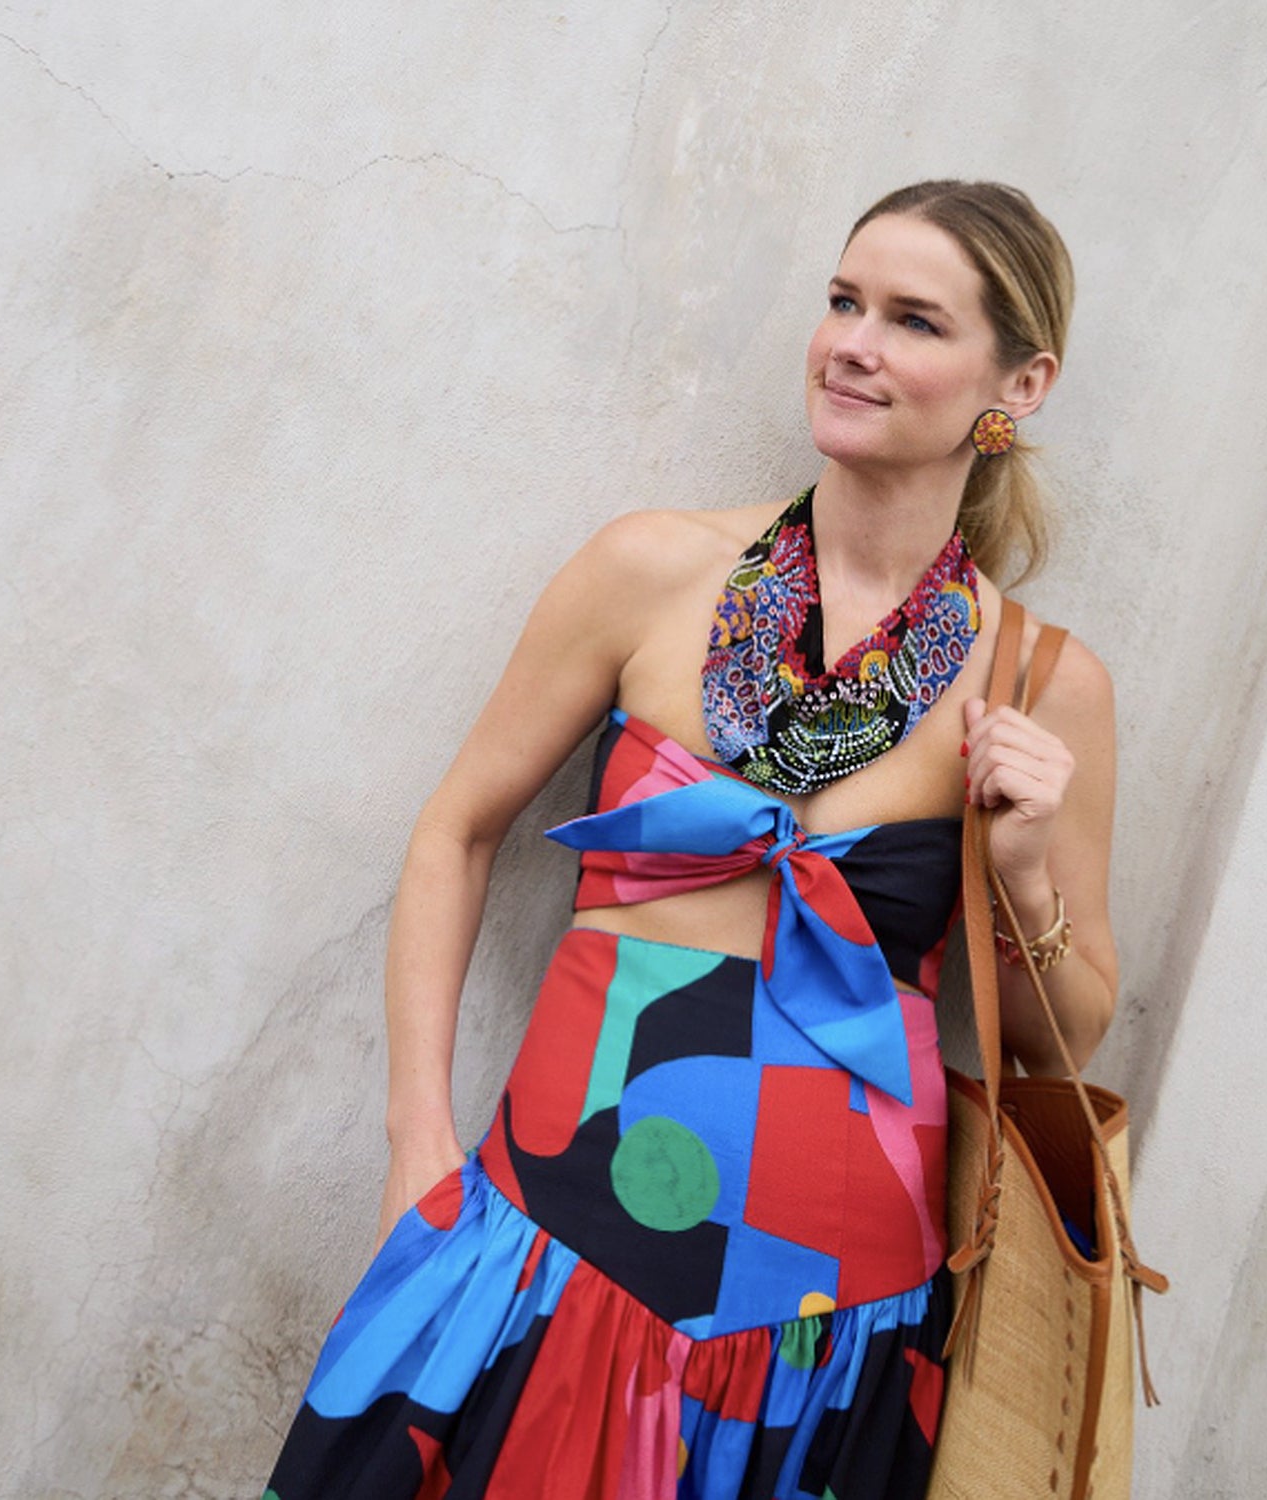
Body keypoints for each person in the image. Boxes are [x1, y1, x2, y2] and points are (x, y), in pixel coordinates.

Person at [260, 179, 1116, 1500]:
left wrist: (1019, 870)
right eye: (842, 301)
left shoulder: (1041, 682)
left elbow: (1070, 1028)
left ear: (1022, 382)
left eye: (911, 319)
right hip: (550, 1245)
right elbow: (458, 829)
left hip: (824, 1326)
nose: (853, 341)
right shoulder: (654, 571)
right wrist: (416, 1136)